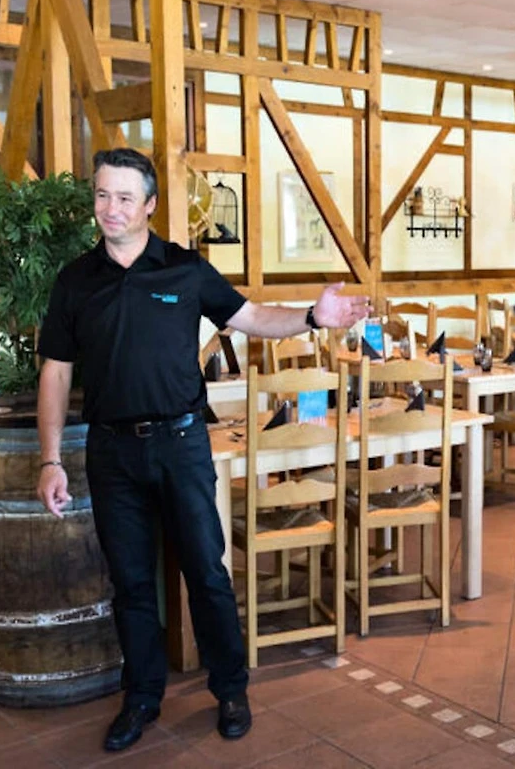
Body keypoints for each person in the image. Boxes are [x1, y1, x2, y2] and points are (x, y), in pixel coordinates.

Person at [35, 148, 368, 753]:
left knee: (207, 573)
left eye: (125, 197)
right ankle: (142, 698)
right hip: (111, 453)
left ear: (150, 206)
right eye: (103, 195)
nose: (111, 208)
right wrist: (51, 459)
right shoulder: (75, 281)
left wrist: (312, 317)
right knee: (131, 583)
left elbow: (251, 316)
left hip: (182, 444)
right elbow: (56, 372)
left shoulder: (184, 269)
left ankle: (231, 688)